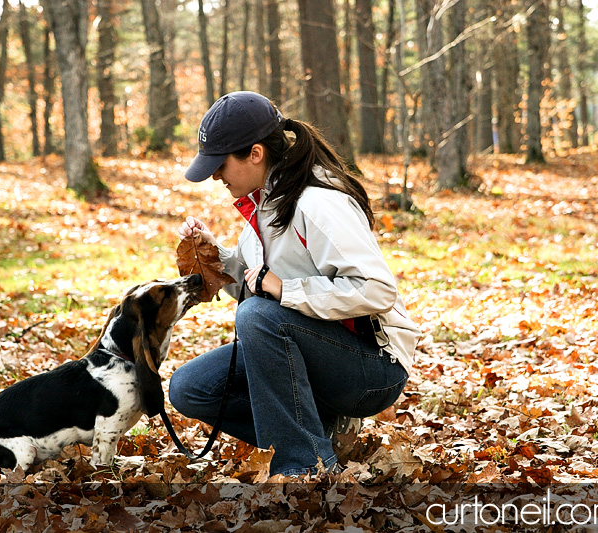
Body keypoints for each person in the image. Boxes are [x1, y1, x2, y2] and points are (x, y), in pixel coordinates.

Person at [170, 91, 421, 477]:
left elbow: (377, 290)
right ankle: (319, 437)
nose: (215, 175)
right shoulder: (264, 202)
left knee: (258, 317)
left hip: (374, 367)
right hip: (316, 351)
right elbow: (256, 286)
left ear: (255, 154)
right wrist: (214, 254)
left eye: (220, 164)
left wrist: (287, 290)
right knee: (190, 388)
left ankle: (304, 469)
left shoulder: (317, 202)